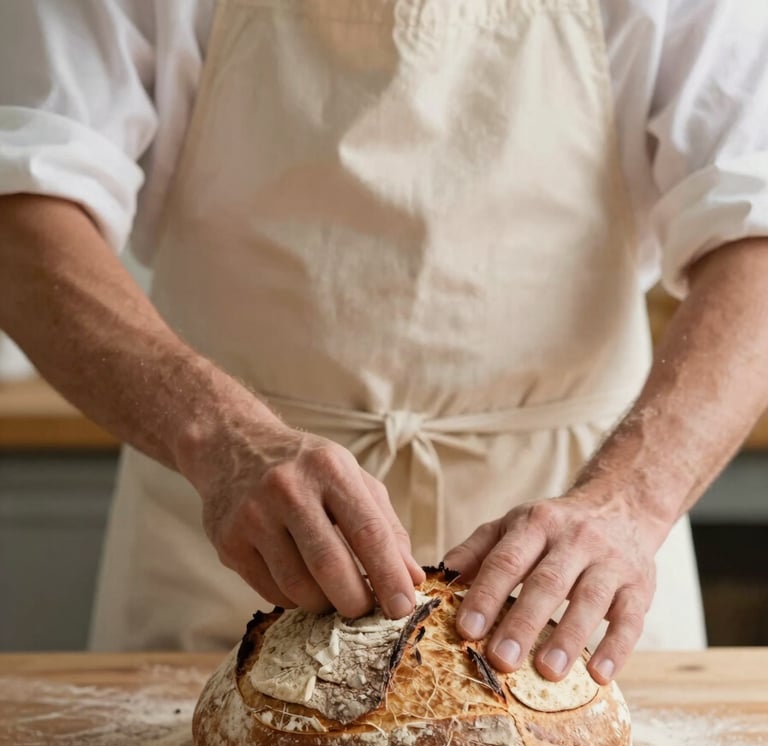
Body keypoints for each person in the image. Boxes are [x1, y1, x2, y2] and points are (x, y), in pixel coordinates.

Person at [1, 0, 767, 684]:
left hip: (571, 573)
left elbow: (756, 238)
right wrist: (224, 439)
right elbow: (20, 214)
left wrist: (628, 503)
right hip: (233, 536)